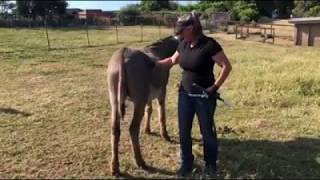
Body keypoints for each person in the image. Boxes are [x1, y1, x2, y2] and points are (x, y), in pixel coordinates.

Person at [155, 11, 232, 177]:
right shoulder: (183, 44)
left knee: (207, 132)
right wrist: (152, 63)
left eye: (180, 31)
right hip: (185, 94)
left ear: (191, 28)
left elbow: (226, 66)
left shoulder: (209, 45)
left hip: (204, 96)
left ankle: (210, 165)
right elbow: (171, 61)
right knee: (184, 131)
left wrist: (213, 88)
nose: (178, 35)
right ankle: (186, 164)